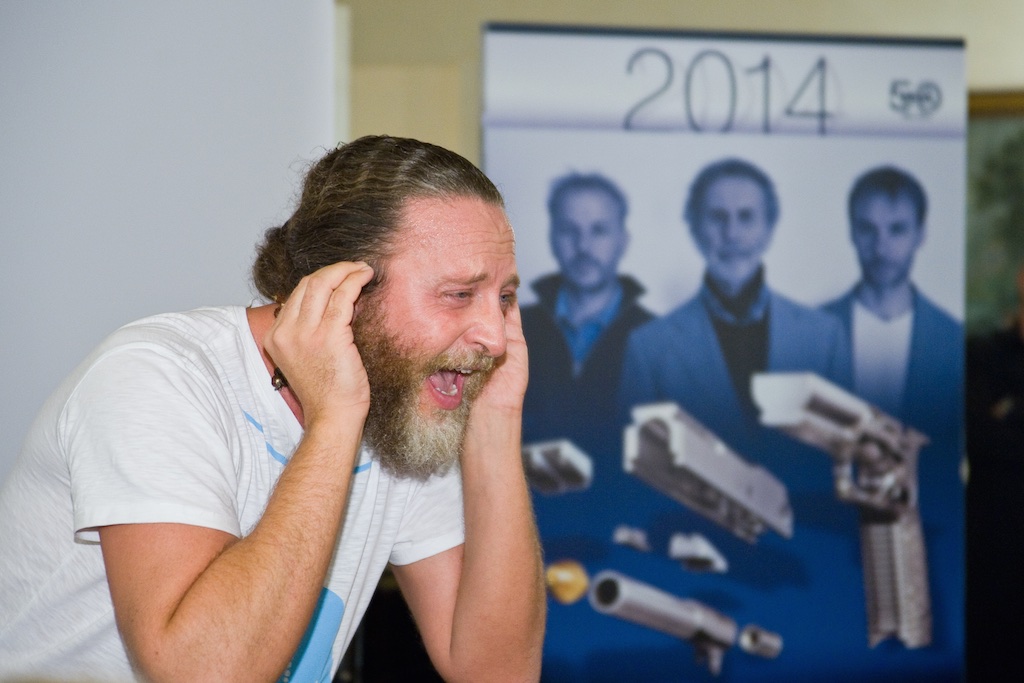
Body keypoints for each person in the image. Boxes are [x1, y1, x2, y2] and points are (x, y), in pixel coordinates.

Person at [0, 136, 545, 683]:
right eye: (459, 294)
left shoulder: (408, 405)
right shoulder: (155, 375)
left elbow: (497, 674)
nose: (495, 337)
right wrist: (333, 421)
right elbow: (204, 674)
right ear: (343, 291)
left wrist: (495, 424)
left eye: (503, 298)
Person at [619, 157, 851, 457]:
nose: (732, 234)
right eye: (717, 217)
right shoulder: (649, 349)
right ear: (694, 229)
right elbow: (639, 466)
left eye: (746, 217)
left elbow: (844, 455)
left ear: (769, 229)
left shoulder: (825, 338)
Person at [822, 165, 962, 433]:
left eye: (897, 229)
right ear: (852, 232)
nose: (881, 247)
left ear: (921, 234)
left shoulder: (953, 340)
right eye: (867, 229)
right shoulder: (813, 333)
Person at [520, 172, 653, 454]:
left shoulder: (659, 339)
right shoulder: (511, 330)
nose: (583, 246)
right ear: (551, 238)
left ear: (623, 241)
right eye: (569, 230)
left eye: (599, 230)